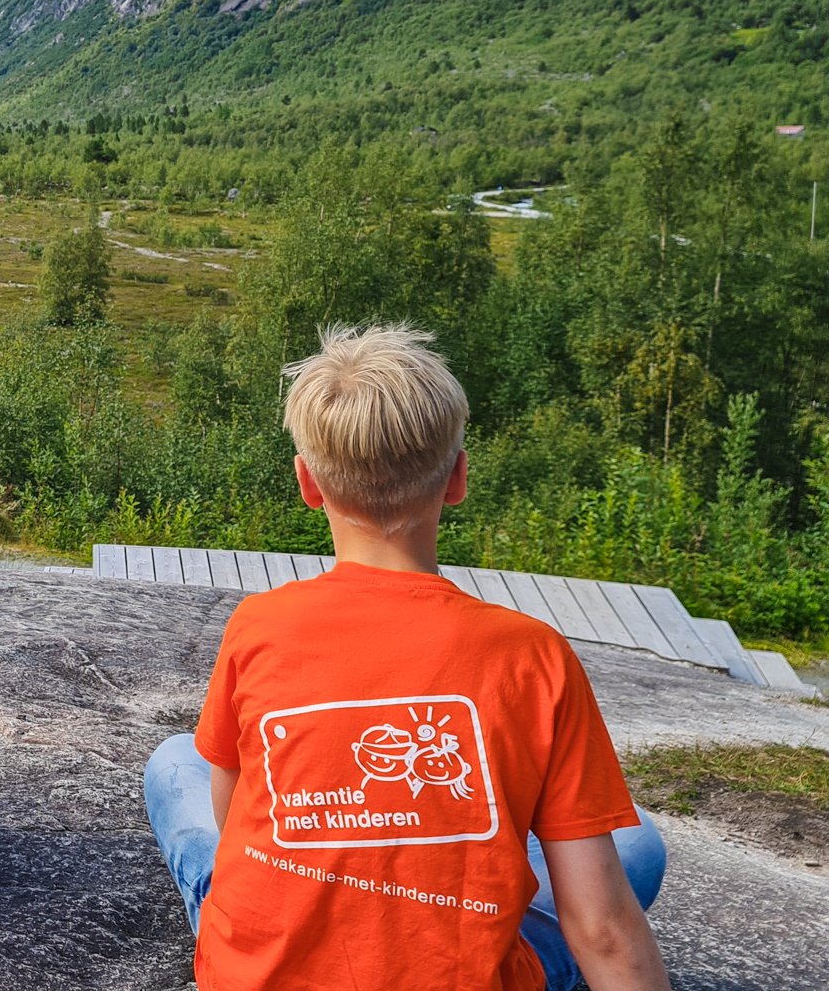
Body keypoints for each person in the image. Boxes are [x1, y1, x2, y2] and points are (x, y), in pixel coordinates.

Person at [143, 324, 670, 991]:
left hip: (259, 969)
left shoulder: (259, 626)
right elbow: (602, 931)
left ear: (308, 482)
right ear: (457, 478)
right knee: (636, 845)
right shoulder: (533, 656)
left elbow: (232, 813)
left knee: (176, 762)